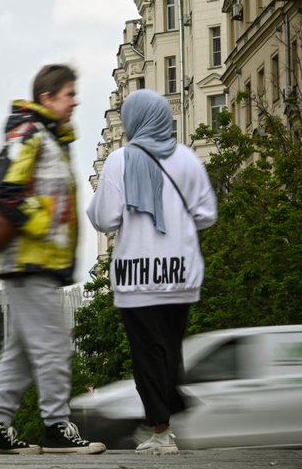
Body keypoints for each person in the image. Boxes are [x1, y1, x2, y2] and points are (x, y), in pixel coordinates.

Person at [0, 64, 105, 455]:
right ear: (47, 98)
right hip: (30, 262)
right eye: (68, 93)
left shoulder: (51, 138)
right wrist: (43, 224)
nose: (75, 100)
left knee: (21, 351)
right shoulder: (29, 132)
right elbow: (4, 189)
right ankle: (56, 427)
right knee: (53, 346)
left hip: (37, 262)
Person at [86, 89, 217, 455]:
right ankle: (169, 410)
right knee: (170, 350)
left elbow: (105, 218)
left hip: (136, 273)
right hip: (180, 271)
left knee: (147, 355)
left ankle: (161, 430)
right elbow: (206, 213)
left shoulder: (120, 160)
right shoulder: (188, 159)